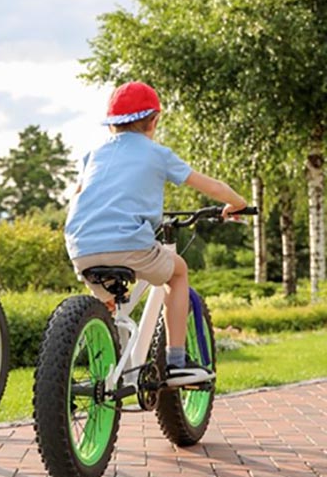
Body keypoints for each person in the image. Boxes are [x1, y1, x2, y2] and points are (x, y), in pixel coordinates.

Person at [64, 81, 246, 386]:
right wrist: (236, 203)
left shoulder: (93, 154)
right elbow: (210, 186)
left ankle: (110, 360)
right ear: (154, 121)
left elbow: (78, 195)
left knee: (112, 301)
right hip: (129, 244)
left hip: (81, 246)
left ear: (111, 125)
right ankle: (176, 362)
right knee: (178, 273)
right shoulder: (157, 153)